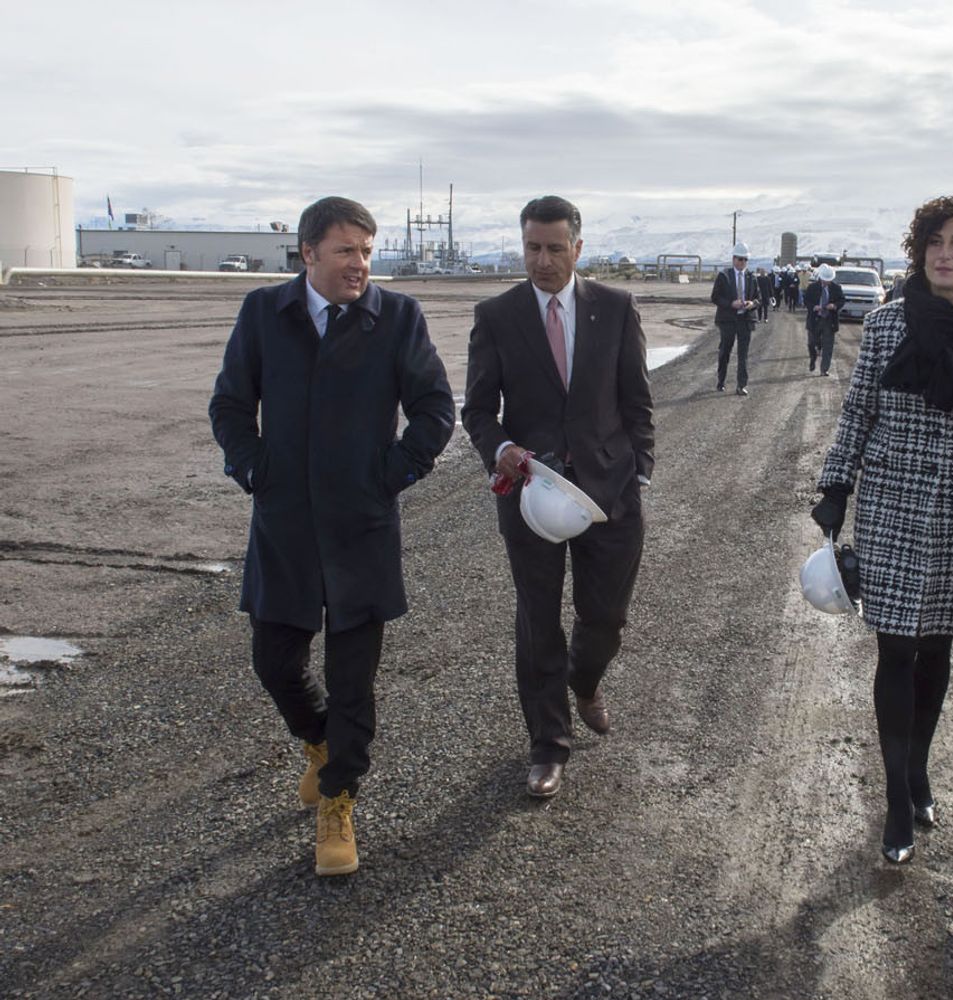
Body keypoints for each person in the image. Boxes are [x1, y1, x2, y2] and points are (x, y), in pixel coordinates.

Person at [209, 196, 455, 876]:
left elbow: (435, 407)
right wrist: (255, 470)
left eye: (367, 252)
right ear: (308, 254)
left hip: (361, 525)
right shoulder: (265, 312)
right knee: (275, 664)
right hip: (284, 522)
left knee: (354, 680)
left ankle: (338, 802)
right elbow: (230, 404)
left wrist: (395, 473)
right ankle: (321, 745)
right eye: (346, 251)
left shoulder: (396, 316)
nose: (360, 265)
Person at [812, 195, 953, 866]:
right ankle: (897, 798)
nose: (944, 253)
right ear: (920, 251)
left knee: (937, 652)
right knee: (896, 651)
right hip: (892, 505)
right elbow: (858, 413)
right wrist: (835, 484)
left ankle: (919, 769)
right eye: (935, 241)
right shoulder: (885, 326)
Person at [461, 195, 656, 799]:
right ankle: (548, 746)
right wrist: (503, 451)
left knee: (605, 618)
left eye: (553, 248)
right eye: (531, 248)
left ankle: (586, 677)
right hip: (532, 495)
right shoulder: (496, 315)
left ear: (578, 247)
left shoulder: (616, 308)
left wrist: (640, 471)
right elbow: (476, 410)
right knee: (538, 621)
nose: (542, 261)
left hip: (609, 492)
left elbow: (636, 400)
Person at [710, 242, 760, 394]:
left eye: (745, 259)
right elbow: (715, 297)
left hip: (745, 320)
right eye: (740, 259)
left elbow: (759, 298)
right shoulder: (724, 276)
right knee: (725, 350)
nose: (742, 262)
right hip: (728, 320)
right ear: (733, 259)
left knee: (743, 353)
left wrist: (752, 303)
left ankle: (741, 385)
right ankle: (721, 381)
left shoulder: (752, 277)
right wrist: (731, 304)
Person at [805, 263, 845, 375]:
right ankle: (813, 359)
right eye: (825, 280)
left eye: (829, 280)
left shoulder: (836, 288)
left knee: (828, 346)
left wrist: (835, 306)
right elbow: (806, 301)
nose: (827, 282)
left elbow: (842, 300)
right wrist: (813, 307)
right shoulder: (812, 287)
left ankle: (824, 369)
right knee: (811, 343)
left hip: (829, 320)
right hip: (815, 320)